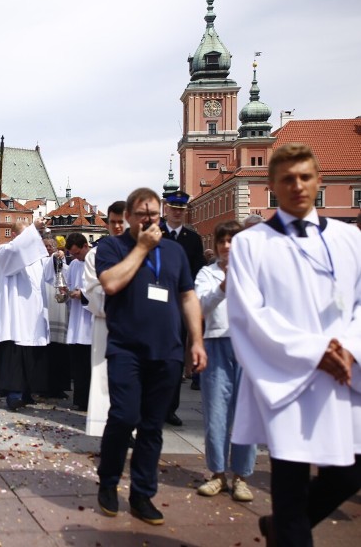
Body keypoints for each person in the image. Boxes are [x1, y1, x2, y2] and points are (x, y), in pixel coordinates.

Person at [226, 143, 361, 547]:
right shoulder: (252, 243)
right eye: (287, 179)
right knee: (289, 485)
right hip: (287, 376)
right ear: (272, 185)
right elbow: (249, 313)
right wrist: (315, 352)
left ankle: (281, 526)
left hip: (344, 372)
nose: (297, 186)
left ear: (319, 181)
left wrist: (349, 348)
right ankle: (286, 528)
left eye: (305, 177)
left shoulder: (349, 238)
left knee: (349, 473)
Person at [95, 187, 207, 526]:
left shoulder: (174, 252)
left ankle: (142, 493)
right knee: (124, 416)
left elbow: (187, 296)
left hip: (168, 351)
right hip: (126, 348)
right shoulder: (112, 247)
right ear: (128, 216)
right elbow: (111, 284)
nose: (148, 220)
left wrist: (197, 341)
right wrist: (142, 248)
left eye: (153, 215)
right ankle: (109, 481)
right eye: (142, 214)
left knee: (152, 427)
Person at [193, 219, 255, 502]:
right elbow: (200, 307)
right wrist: (223, 287)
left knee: (245, 414)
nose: (227, 246)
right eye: (222, 241)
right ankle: (217, 473)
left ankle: (241, 476)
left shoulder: (256, 273)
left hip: (247, 346)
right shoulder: (207, 274)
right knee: (216, 412)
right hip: (216, 343)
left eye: (232, 241)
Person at [0, 217, 50, 410]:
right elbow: (18, 250)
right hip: (15, 317)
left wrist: (58, 259)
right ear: (17, 236)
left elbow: (49, 276)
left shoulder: (39, 258)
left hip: (33, 315)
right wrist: (33, 229)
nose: (33, 238)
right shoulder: (5, 251)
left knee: (32, 355)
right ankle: (14, 394)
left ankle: (27, 392)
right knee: (15, 356)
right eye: (27, 234)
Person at [160, 190, 207, 421]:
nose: (177, 213)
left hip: (179, 306)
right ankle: (154, 406)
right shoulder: (156, 235)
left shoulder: (193, 239)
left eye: (181, 209)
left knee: (175, 359)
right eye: (174, 208)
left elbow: (198, 270)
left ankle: (170, 408)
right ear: (166, 208)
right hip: (156, 304)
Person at [83, 201, 126, 436]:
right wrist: (124, 300)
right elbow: (92, 289)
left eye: (122, 222)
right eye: (113, 222)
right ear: (107, 224)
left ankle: (129, 425)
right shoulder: (95, 254)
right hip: (106, 322)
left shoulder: (138, 249)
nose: (118, 227)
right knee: (104, 375)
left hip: (133, 325)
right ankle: (104, 425)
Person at [64, 233, 92, 410]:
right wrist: (66, 291)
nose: (75, 257)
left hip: (90, 320)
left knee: (88, 364)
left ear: (85, 246)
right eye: (72, 254)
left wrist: (82, 294)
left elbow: (99, 287)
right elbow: (69, 284)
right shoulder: (74, 264)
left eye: (77, 253)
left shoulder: (95, 260)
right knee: (78, 364)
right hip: (76, 318)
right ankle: (80, 400)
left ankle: (89, 400)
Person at [41, 236, 71, 398]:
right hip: (44, 316)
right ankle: (42, 386)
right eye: (44, 247)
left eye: (50, 246)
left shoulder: (65, 268)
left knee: (59, 353)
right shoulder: (40, 267)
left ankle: (59, 387)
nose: (47, 249)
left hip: (60, 315)